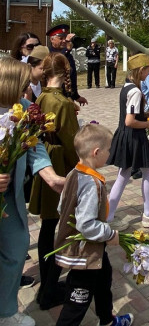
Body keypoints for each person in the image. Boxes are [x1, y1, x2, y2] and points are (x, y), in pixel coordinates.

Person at [0, 57, 65, 326]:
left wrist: (51, 177)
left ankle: (6, 312)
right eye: (24, 84)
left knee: (15, 251)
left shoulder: (26, 109)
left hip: (10, 199)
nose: (28, 88)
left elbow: (35, 146)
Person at [54, 123, 133, 326]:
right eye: (108, 150)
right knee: (77, 302)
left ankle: (107, 320)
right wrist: (110, 234)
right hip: (84, 253)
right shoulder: (91, 183)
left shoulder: (73, 173)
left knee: (104, 279)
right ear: (96, 152)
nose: (110, 154)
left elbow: (62, 207)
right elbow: (87, 225)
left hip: (92, 250)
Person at [28, 52, 80, 310]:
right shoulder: (62, 103)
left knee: (48, 226)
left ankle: (47, 286)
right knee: (64, 229)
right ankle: (49, 290)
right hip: (60, 164)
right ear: (65, 71)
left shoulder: (41, 97)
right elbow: (72, 142)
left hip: (44, 160)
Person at [107, 53, 149, 229]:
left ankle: (109, 215)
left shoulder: (126, 86)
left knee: (124, 174)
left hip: (125, 135)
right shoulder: (135, 91)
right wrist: (148, 124)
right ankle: (148, 214)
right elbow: (130, 121)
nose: (148, 75)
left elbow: (130, 114)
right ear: (141, 70)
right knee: (148, 171)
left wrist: (146, 114)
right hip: (134, 137)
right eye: (147, 71)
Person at [47, 24, 88, 106]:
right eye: (61, 38)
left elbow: (72, 77)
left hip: (68, 97)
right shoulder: (48, 53)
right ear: (52, 39)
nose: (64, 41)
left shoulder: (68, 55)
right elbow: (57, 61)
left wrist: (76, 96)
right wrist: (66, 50)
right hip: (55, 97)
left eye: (65, 38)